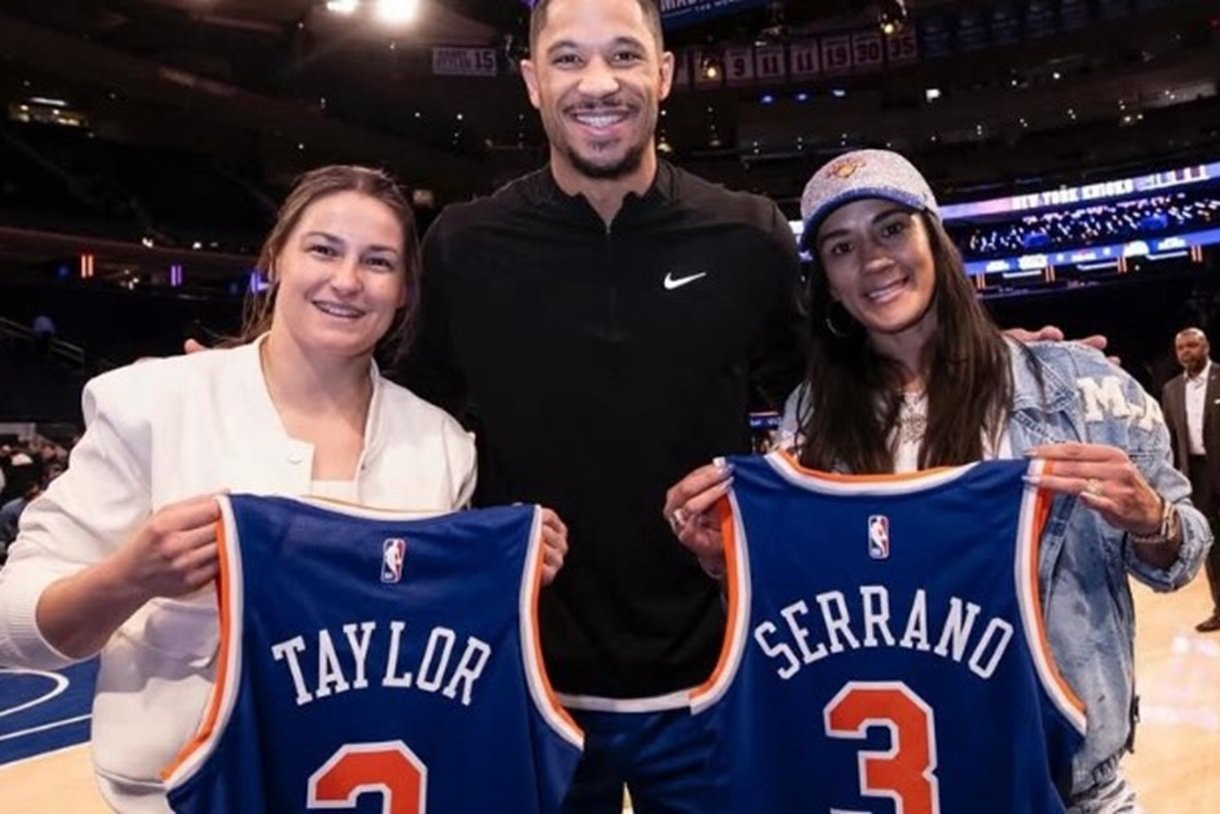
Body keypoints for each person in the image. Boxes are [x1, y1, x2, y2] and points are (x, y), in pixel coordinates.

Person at [0, 165, 567, 813]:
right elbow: (10, 630)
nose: (347, 281)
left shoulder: (441, 445)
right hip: (172, 796)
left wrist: (510, 575)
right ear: (275, 259)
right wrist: (132, 577)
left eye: (378, 262)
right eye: (323, 249)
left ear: (406, 290)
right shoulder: (154, 404)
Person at [665, 149, 1211, 812]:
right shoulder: (811, 422)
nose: (871, 260)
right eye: (842, 247)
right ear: (828, 282)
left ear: (936, 238)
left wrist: (1149, 516)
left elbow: (1178, 562)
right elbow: (817, 612)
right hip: (896, 782)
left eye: (891, 229)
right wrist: (730, 564)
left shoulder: (1078, 387)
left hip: (1070, 789)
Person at [400, 1, 804, 810]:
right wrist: (267, 378)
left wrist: (997, 351)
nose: (598, 83)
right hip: (525, 684)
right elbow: (401, 417)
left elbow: (831, 398)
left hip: (711, 681)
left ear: (664, 74)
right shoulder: (464, 244)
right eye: (568, 58)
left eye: (624, 56)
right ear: (531, 81)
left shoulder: (747, 233)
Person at [1161, 327, 1220, 632]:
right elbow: (1170, 438)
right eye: (1181, 348)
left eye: (1192, 346)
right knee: (1212, 545)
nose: (1187, 352)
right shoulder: (1171, 390)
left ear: (1206, 346)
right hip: (1196, 474)